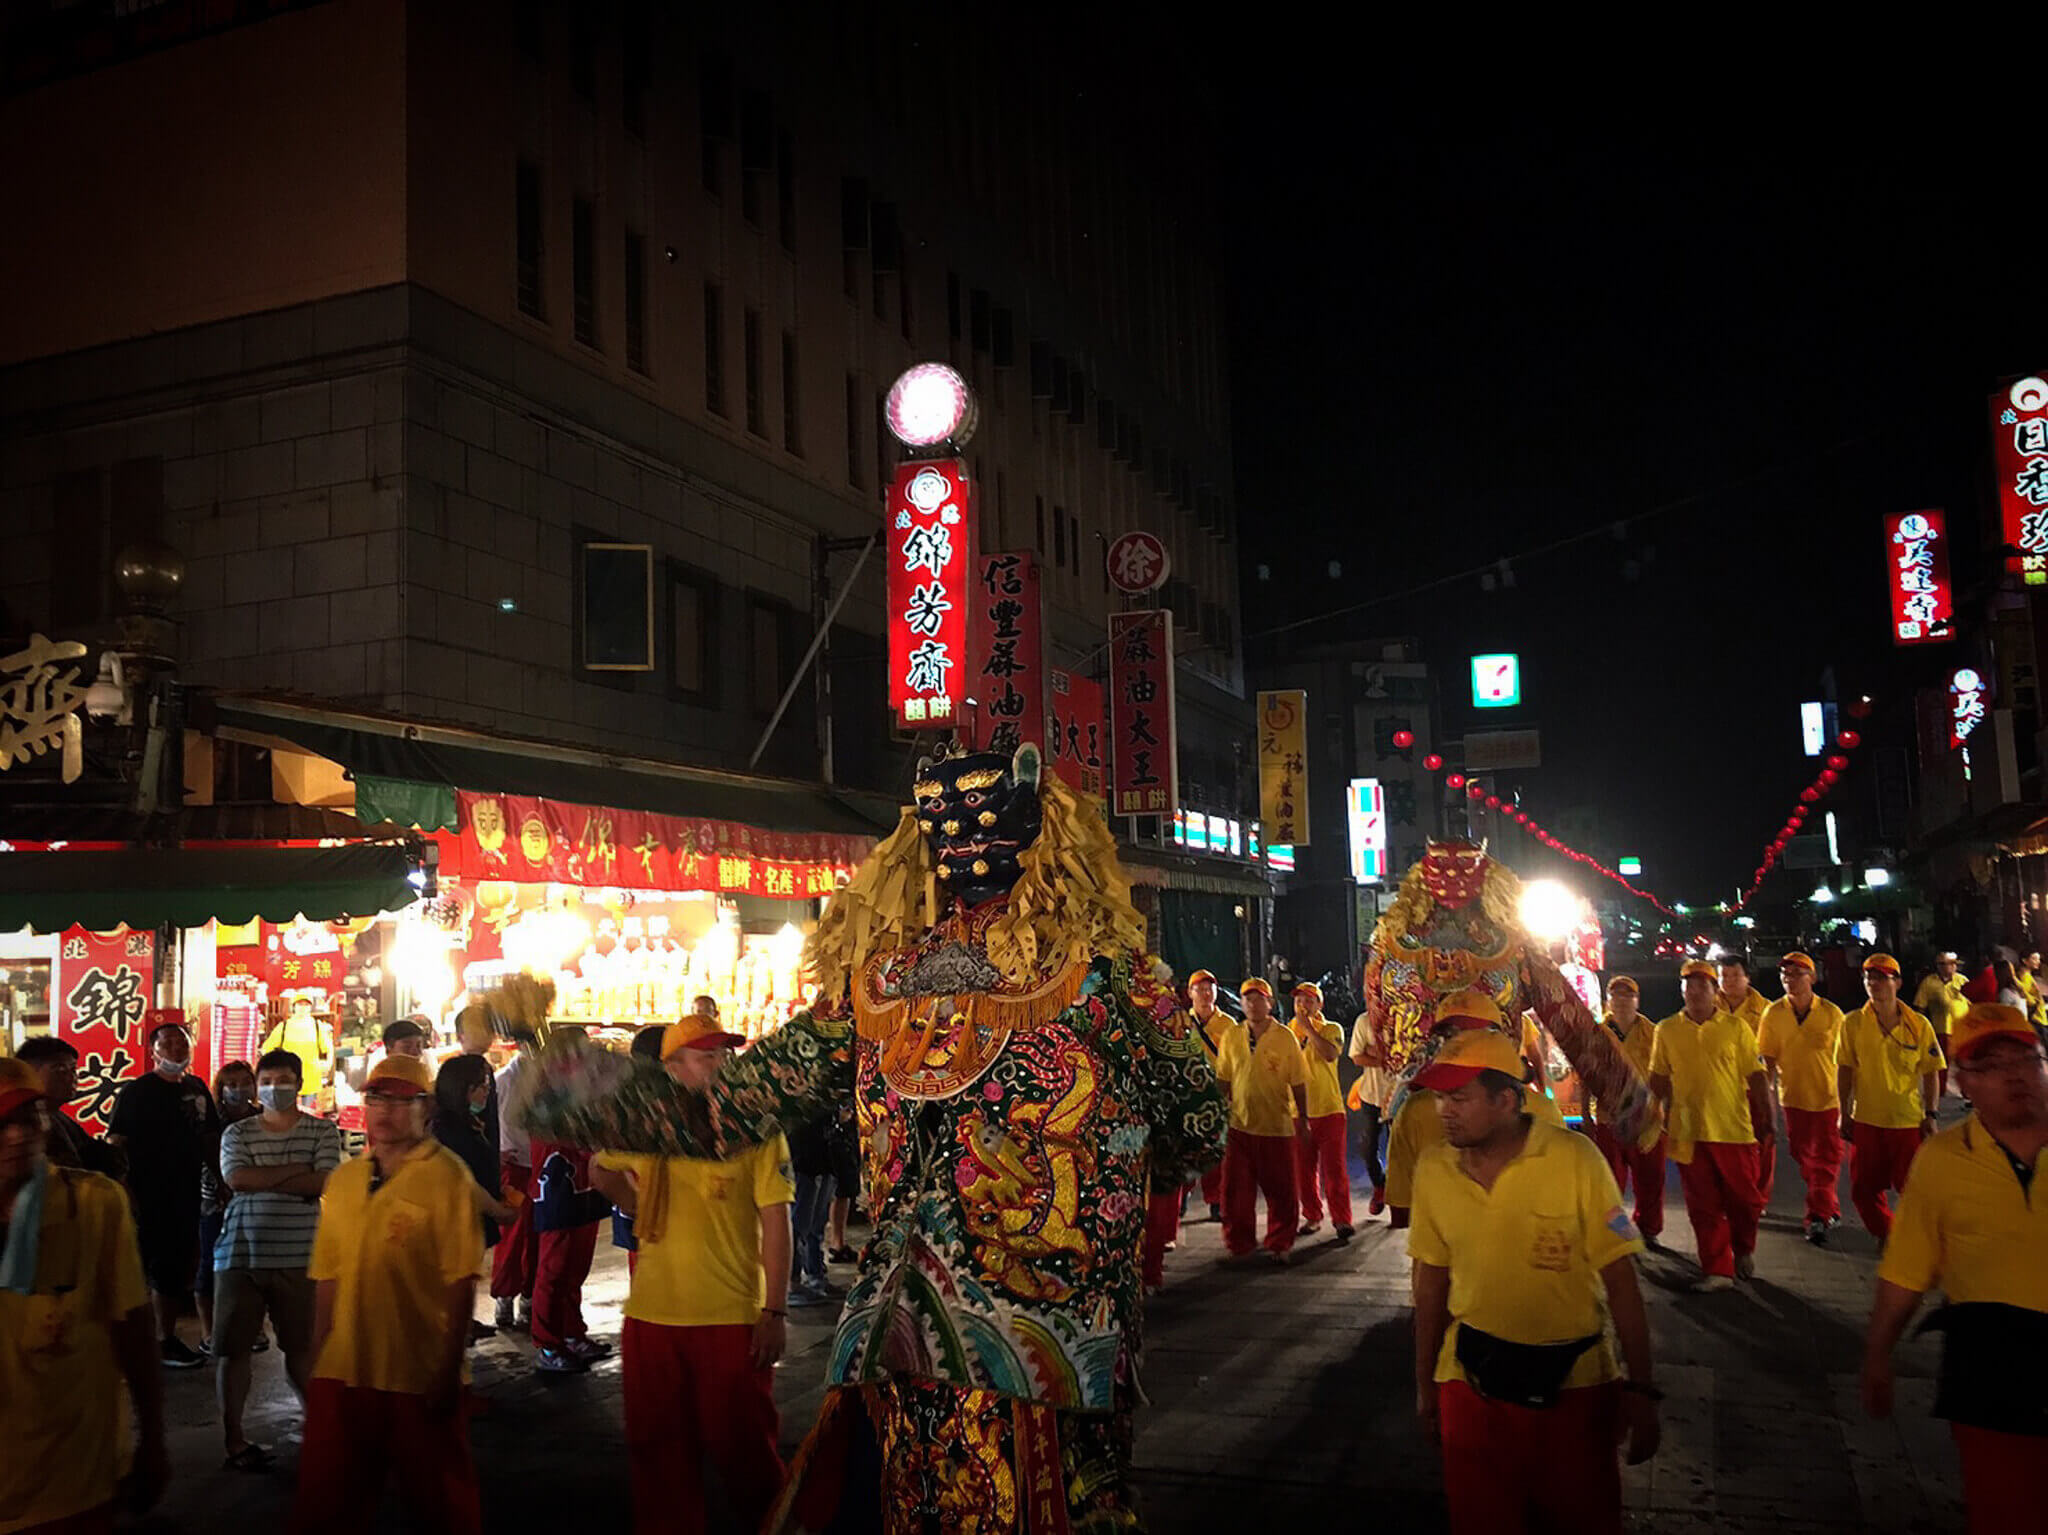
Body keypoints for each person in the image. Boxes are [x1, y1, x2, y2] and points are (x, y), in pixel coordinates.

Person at [1408, 1028, 1659, 1535]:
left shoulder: (1576, 1159)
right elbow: (1430, 1284)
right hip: (1469, 1381)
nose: (1444, 1111)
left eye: (1459, 1097)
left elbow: (1620, 1279)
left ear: (1506, 1100)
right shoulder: (1435, 1168)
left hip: (1577, 1385)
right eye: (1439, 1098)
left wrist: (1642, 1390)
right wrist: (1425, 1384)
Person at [588, 1017, 793, 1535]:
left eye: (724, 1054)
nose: (722, 1065)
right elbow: (598, 1167)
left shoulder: (755, 1127)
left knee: (747, 1454)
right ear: (673, 1067)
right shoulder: (647, 1127)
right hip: (651, 1319)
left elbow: (776, 1220)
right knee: (658, 1458)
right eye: (707, 1056)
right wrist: (636, 1204)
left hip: (730, 1317)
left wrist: (775, 1311)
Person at [1861, 1002, 2048, 1531]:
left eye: (2026, 1059)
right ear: (1963, 1083)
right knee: (2006, 1511)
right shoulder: (1942, 1160)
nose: (2014, 1075)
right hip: (1992, 1362)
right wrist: (1878, 1356)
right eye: (1991, 1065)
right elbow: (1907, 1270)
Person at [292, 1053, 484, 1535]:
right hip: (344, 1369)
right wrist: (317, 1361)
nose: (386, 1110)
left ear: (427, 1108)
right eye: (377, 1097)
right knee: (327, 1502)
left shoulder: (448, 1177)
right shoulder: (345, 1179)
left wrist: (447, 1369)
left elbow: (461, 1280)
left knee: (440, 1502)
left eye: (402, 1100)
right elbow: (327, 1276)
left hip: (416, 1370)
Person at [0, 1056, 171, 1531]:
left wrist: (152, 1440)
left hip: (74, 1478)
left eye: (27, 1118)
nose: (17, 1135)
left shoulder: (93, 1204)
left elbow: (134, 1327)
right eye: (2, 1123)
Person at [212, 1048, 343, 1470]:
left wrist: (265, 1178)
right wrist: (295, 1172)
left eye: (283, 1080)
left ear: (299, 1084)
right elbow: (236, 1178)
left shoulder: (323, 1132)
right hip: (239, 1254)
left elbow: (325, 1179)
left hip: (301, 1255)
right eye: (266, 1080)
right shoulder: (236, 1133)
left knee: (303, 1349)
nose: (273, 1088)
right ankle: (233, 1440)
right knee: (233, 1352)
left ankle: (322, 1431)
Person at [1385, 991, 1571, 1230]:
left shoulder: (1413, 1111)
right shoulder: (1544, 1110)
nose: (1447, 1111)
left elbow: (1403, 1213)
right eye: (1456, 1035)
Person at [1647, 958, 1771, 1291]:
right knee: (1702, 1204)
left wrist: (1768, 1117)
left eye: (1703, 986)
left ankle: (1743, 1247)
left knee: (1746, 1199)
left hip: (1734, 1129)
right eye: (1689, 985)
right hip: (1688, 1131)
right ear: (1681, 990)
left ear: (1715, 991)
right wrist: (1650, 1115)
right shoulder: (1667, 1029)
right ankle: (1718, 1268)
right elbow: (1658, 1077)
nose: (1696, 992)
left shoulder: (1736, 1028)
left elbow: (1756, 1075)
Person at [107, 1016, 221, 1366]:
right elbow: (116, 1142)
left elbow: (209, 1141)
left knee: (174, 1268)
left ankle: (164, 1340)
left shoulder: (198, 1089)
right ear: (153, 1051)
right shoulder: (136, 1091)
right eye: (167, 1043)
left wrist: (221, 1181)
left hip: (185, 1194)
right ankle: (125, 1344)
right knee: (138, 1267)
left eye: (181, 1042)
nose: (175, 1048)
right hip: (144, 1194)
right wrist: (124, 1189)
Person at [1838, 952, 1943, 1243]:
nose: (1875, 983)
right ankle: (1889, 1233)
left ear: (1897, 982)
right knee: (1863, 1189)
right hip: (1867, 1120)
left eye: (1882, 978)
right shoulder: (1853, 1023)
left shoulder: (1918, 1024)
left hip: (1906, 1122)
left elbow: (1931, 1071)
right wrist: (1843, 1113)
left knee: (1913, 1188)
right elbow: (1845, 1070)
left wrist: (1931, 1114)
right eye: (1869, 978)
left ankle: (1919, 1239)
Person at [527, 1023, 611, 1374]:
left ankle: (572, 1332)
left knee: (577, 1266)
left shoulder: (588, 1087)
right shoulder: (544, 1091)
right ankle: (547, 1343)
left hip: (585, 1184)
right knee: (554, 1268)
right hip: (557, 1185)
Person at [1214, 976, 1309, 1262]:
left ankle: (1280, 1243)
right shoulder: (1232, 1035)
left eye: (1258, 999)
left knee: (1282, 1190)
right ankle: (1239, 1244)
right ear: (1241, 1003)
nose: (1252, 1004)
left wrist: (1303, 1119)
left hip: (1276, 1126)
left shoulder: (1284, 1036)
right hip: (1239, 1125)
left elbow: (1299, 1081)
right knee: (1235, 1191)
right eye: (1247, 999)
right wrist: (1218, 1114)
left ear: (1269, 1003)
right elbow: (1223, 1079)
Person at [1754, 951, 1846, 1243]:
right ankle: (1829, 1206)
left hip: (1828, 1101)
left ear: (1813, 977)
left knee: (1825, 1160)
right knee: (1804, 1158)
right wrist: (1767, 1102)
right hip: (1792, 1100)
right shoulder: (1774, 1013)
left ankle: (1816, 1217)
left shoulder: (1832, 1013)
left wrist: (1850, 1103)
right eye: (1786, 974)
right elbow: (1766, 1060)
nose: (1790, 979)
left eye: (1797, 973)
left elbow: (1847, 1062)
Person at [431, 1053, 520, 1344]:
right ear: (461, 1088)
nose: (486, 1092)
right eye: (480, 1086)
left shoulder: (471, 1121)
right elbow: (462, 1181)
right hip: (458, 1219)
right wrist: (498, 1209)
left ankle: (463, 1325)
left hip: (475, 1218)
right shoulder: (446, 1128)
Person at [1589, 976, 1666, 1249]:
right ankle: (1616, 1231)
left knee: (1650, 1178)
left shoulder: (1654, 1033)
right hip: (1610, 1117)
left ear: (1637, 1000)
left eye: (1628, 995)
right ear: (1608, 1000)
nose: (1622, 1000)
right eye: (1616, 995)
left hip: (1646, 1118)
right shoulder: (1596, 1032)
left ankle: (1648, 1229)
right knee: (1610, 1180)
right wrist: (1587, 1116)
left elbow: (1664, 1075)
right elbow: (1586, 1074)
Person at [197, 1059, 260, 1359]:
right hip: (216, 1203)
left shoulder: (264, 1117)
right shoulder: (212, 1121)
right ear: (220, 1090)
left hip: (256, 1202)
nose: (238, 1090)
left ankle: (254, 1328)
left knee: (255, 1266)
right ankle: (209, 1332)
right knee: (211, 1264)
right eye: (230, 1085)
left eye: (244, 1083)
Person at [1289, 981, 1352, 1241]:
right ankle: (1312, 1215)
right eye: (1299, 1000)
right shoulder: (1285, 1033)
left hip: (1329, 1110)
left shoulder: (1331, 1028)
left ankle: (1341, 1219)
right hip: (1297, 1111)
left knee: (1334, 1169)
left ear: (1320, 1005)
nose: (1303, 1005)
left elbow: (1329, 1054)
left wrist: (1309, 1030)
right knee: (1303, 1170)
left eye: (1309, 1000)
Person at [13, 1035, 125, 1178]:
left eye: (73, 1070)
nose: (71, 1077)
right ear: (29, 1072)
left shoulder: (60, 1118)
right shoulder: (20, 1119)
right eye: (60, 1070)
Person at [490, 1037, 537, 1332]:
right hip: (515, 1166)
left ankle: (529, 1297)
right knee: (511, 1236)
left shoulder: (549, 1078)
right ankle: (505, 1296)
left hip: (539, 1163)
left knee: (536, 1236)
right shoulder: (503, 1080)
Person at [1187, 969, 1240, 1219]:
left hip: (1218, 1096)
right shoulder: (1181, 1022)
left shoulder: (1229, 1024)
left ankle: (1216, 1199)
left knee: (1215, 1151)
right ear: (1190, 993)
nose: (1206, 993)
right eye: (1200, 988)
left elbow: (1236, 1063)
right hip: (1188, 1097)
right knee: (1186, 1149)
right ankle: (1183, 1194)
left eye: (1210, 988)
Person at [1346, 1005, 1396, 1217]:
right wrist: (1385, 1059)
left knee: (1398, 1149)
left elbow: (1410, 1056)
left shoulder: (1404, 1018)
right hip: (1371, 1095)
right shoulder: (1364, 1021)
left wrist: (1373, 1054)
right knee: (1368, 1147)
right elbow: (1357, 1057)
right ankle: (1379, 1187)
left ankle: (1398, 1194)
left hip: (1398, 1095)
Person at [1914, 952, 1970, 1100]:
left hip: (1961, 1029)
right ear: (1938, 966)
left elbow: (1974, 1003)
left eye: (1952, 963)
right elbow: (1920, 1006)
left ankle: (1967, 1092)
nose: (1948, 967)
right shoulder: (1929, 983)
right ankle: (1939, 1092)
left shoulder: (1963, 981)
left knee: (1964, 1062)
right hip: (1940, 1029)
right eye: (1943, 964)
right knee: (1940, 1063)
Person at [259, 999, 331, 1109]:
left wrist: (328, 1064)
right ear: (294, 1007)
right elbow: (266, 1049)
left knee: (308, 1115)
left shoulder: (317, 1027)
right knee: (286, 1113)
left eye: (306, 1005)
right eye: (299, 1004)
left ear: (310, 1007)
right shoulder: (284, 1026)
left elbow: (329, 1048)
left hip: (311, 1078)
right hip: (287, 1079)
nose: (302, 1008)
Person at [1717, 955, 1767, 1036]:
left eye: (1735, 975)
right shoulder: (1708, 1007)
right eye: (1724, 975)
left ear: (1747, 978)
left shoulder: (1765, 1009)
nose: (1730, 980)